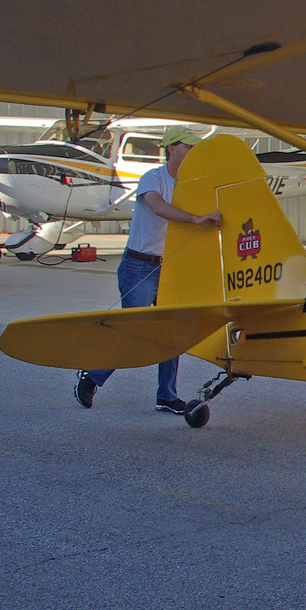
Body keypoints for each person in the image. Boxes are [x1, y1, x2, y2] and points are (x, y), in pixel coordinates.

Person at [75, 125, 222, 414]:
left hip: (172, 269)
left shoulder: (193, 182)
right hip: (140, 266)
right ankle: (92, 377)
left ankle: (166, 396)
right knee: (134, 332)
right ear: (171, 148)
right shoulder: (152, 178)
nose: (193, 151)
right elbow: (158, 207)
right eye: (188, 146)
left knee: (173, 332)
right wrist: (195, 219)